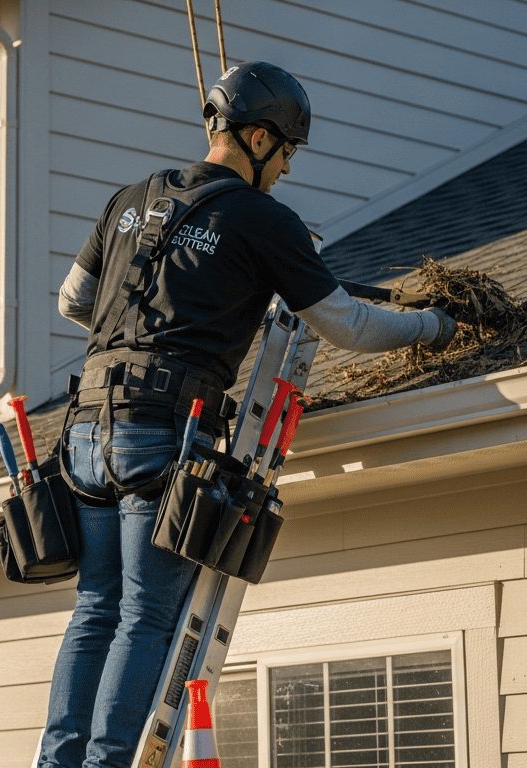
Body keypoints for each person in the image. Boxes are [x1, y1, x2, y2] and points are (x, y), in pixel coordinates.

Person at [40, 61, 456, 768]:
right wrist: (433, 328)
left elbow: (73, 303)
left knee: (95, 609)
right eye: (288, 151)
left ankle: (60, 761)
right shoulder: (264, 220)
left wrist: (198, 297)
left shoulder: (128, 201)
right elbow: (346, 326)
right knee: (146, 616)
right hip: (160, 428)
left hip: (84, 431)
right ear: (260, 138)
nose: (288, 168)